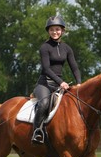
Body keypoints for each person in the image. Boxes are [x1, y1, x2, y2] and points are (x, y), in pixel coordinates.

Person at [31, 16, 81, 144]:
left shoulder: (67, 48)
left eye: (57, 29)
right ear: (48, 31)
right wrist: (61, 83)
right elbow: (46, 69)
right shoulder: (45, 47)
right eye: (52, 29)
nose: (55, 32)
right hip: (44, 84)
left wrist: (79, 83)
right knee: (44, 103)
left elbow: (74, 68)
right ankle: (37, 132)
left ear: (62, 31)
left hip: (59, 85)